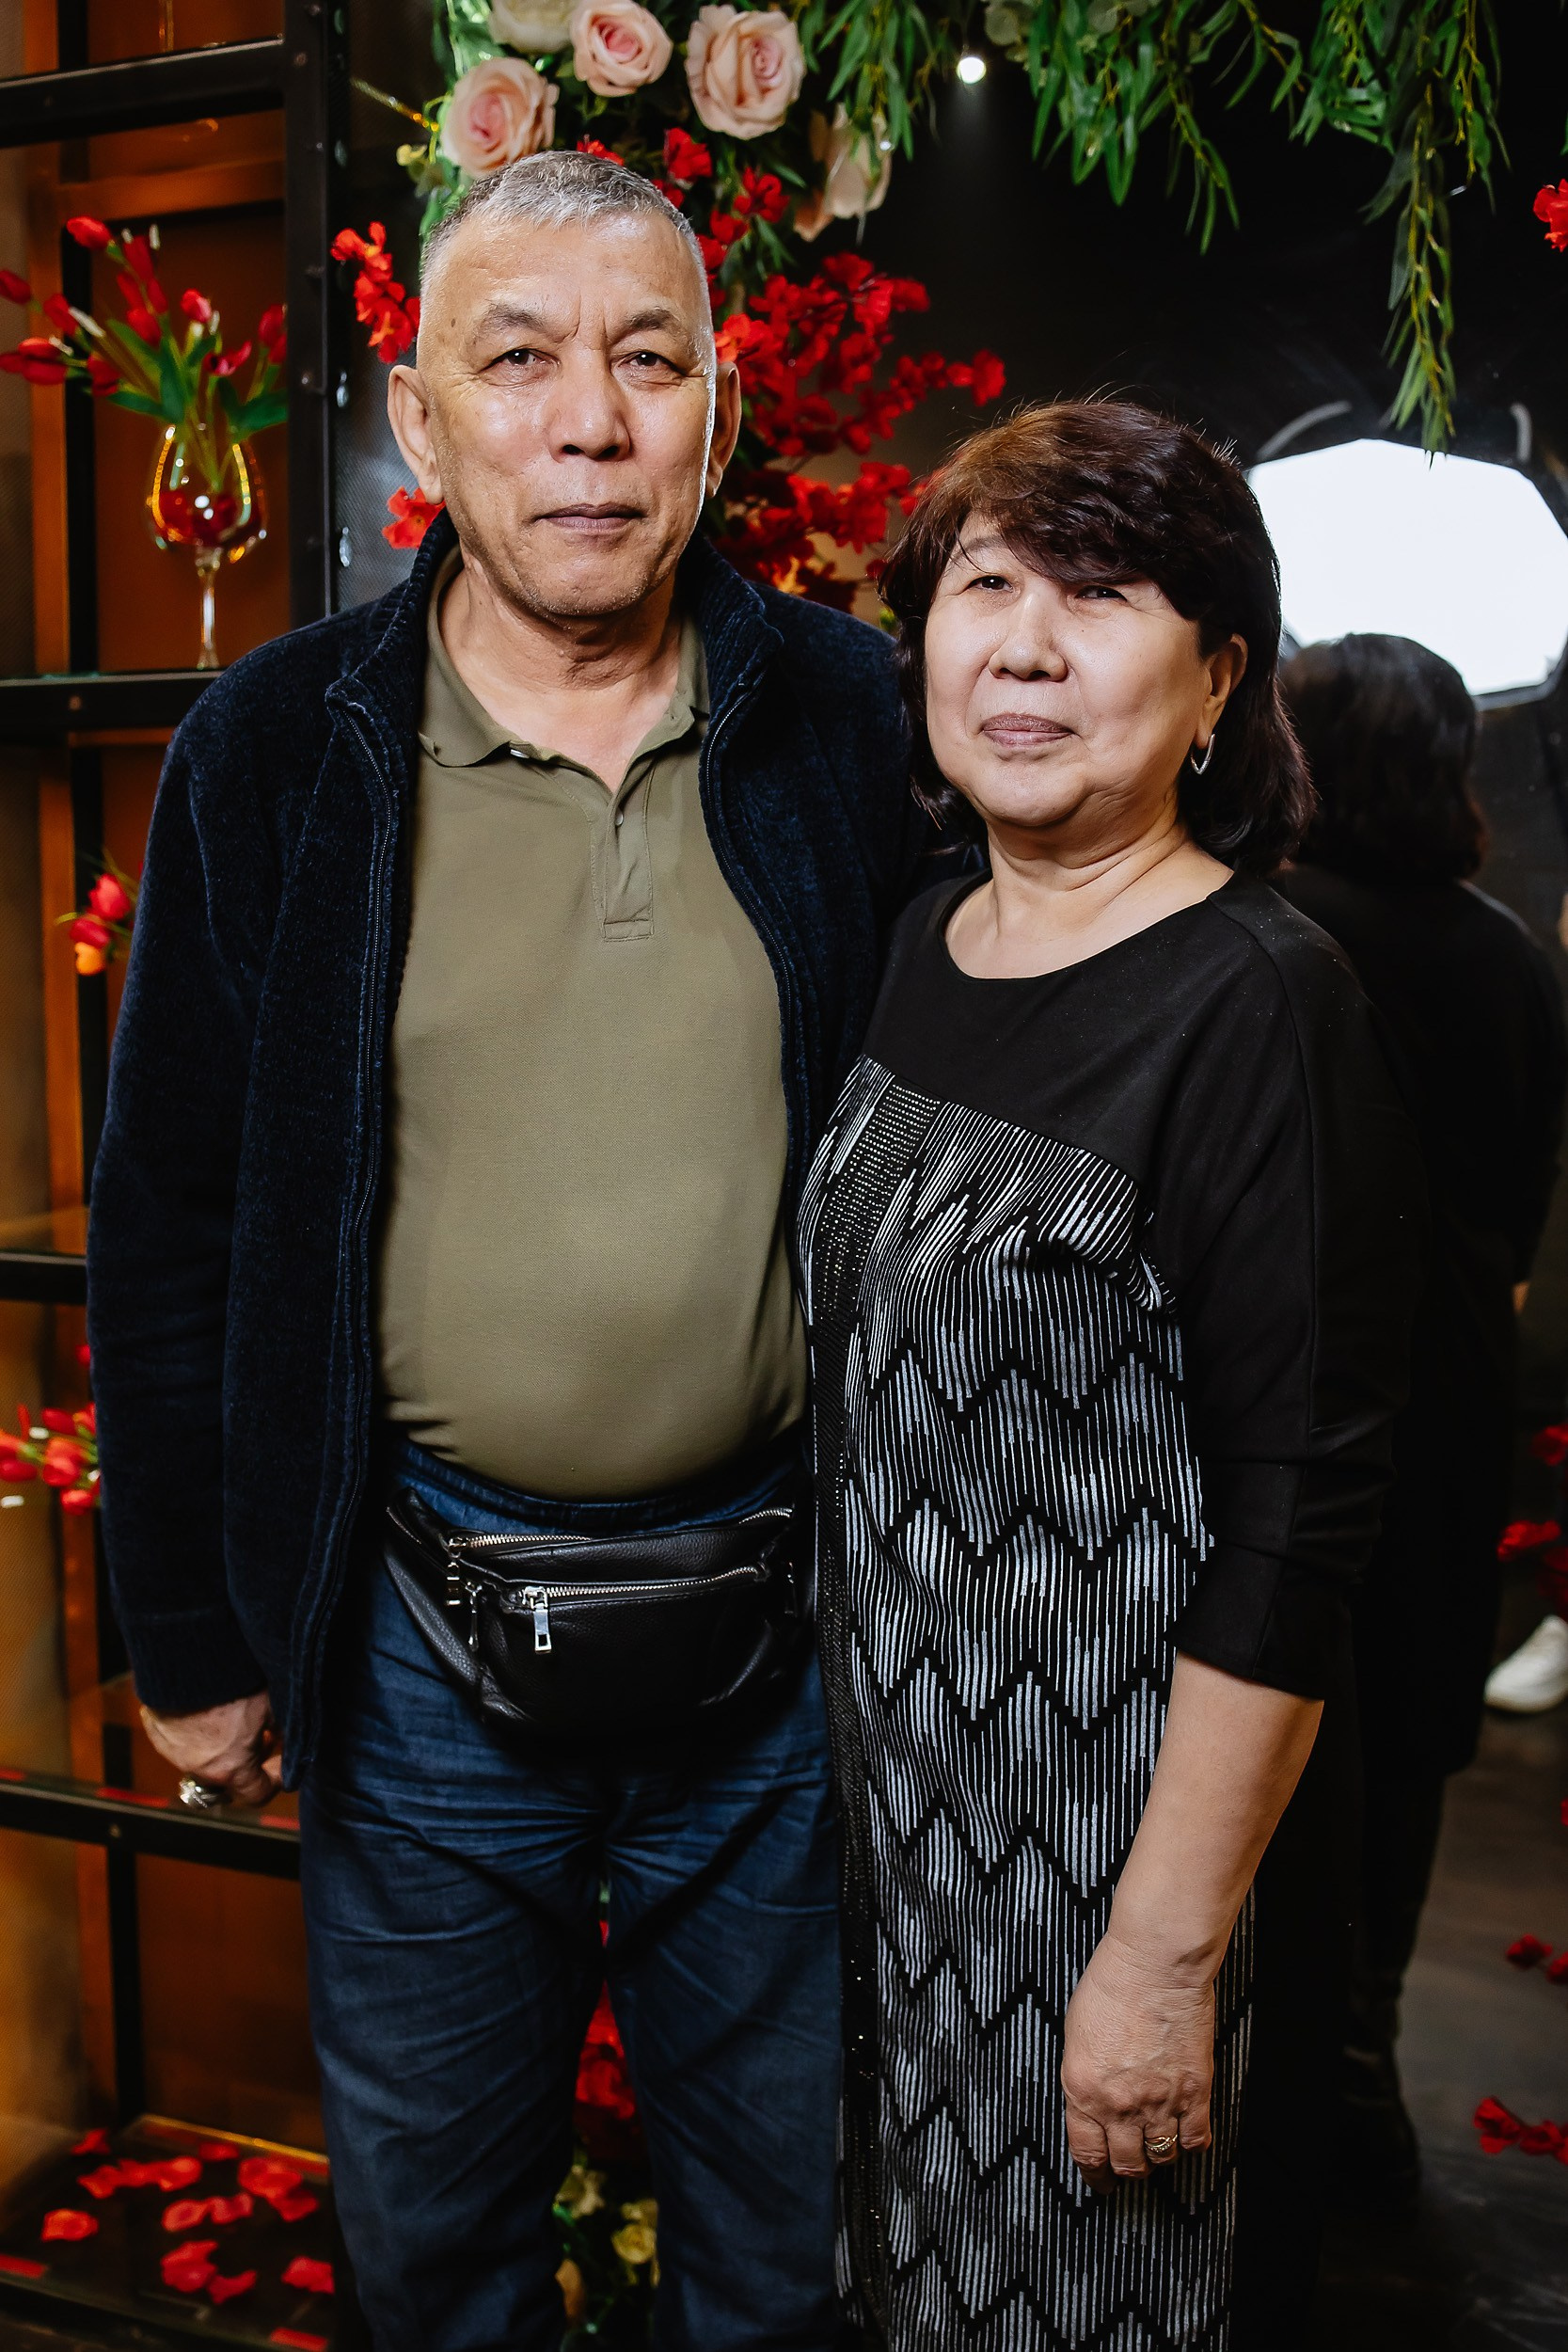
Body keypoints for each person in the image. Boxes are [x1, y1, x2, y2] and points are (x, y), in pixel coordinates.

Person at [87, 151, 942, 2352]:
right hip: (416, 1643)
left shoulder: (855, 718)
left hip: (791, 1646)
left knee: (792, 2262)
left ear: (718, 415)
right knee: (439, 2264)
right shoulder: (281, 750)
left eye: (648, 361)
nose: (589, 420)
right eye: (521, 358)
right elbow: (171, 1217)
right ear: (420, 417)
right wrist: (187, 1624)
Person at [797, 402, 1425, 2350]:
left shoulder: (1261, 999)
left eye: (1102, 595)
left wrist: (1159, 1957)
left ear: (1221, 678)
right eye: (986, 584)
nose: (1027, 646)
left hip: (1114, 1863)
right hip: (900, 1852)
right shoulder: (926, 938)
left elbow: (1299, 1518)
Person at [1275, 633, 1568, 2206]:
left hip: (1293, 1371)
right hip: (1451, 1383)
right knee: (1407, 1729)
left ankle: (1265, 2066)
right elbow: (1519, 1202)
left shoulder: (1266, 926)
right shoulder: (1509, 953)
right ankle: (1363, 2065)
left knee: (1278, 1701)